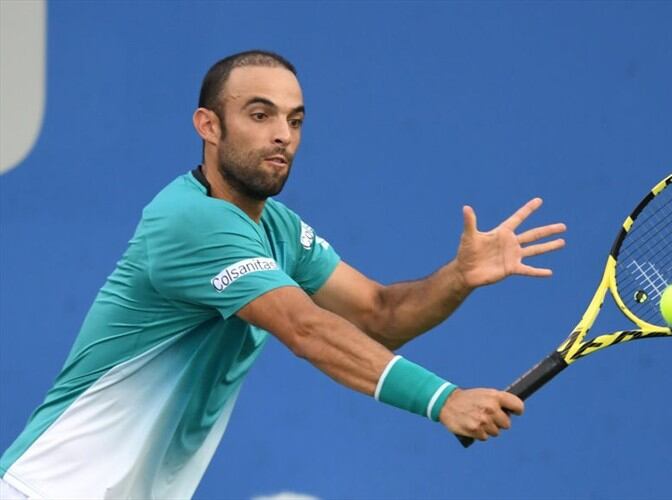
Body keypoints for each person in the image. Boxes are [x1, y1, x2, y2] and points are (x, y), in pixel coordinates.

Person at [0, 50, 566, 499]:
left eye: (294, 120)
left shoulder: (278, 228)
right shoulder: (191, 220)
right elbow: (305, 328)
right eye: (260, 114)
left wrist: (458, 277)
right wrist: (442, 400)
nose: (283, 135)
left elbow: (381, 314)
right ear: (208, 125)